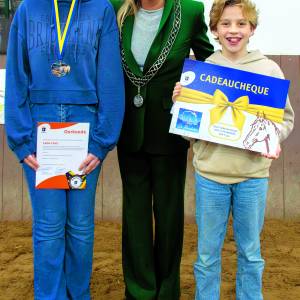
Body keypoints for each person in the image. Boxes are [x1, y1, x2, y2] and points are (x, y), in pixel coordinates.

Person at [172, 0, 294, 299]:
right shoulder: (204, 70)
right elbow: (190, 129)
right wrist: (181, 103)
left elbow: (285, 119)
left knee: (251, 254)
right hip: (210, 176)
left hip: (252, 176)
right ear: (214, 30)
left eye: (241, 23)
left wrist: (273, 138)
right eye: (225, 23)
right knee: (206, 256)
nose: (233, 30)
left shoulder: (268, 69)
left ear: (252, 28)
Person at [5, 0, 124, 298]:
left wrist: (102, 140)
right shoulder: (27, 10)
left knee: (81, 225)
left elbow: (110, 77)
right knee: (48, 224)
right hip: (40, 128)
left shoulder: (101, 10)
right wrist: (20, 139)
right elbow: (17, 77)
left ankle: (77, 293)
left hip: (83, 130)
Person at [110, 0, 213, 299]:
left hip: (171, 130)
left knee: (169, 215)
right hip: (129, 129)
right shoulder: (116, 8)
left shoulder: (190, 11)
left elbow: (212, 63)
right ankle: (140, 290)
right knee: (135, 214)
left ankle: (168, 290)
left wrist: (197, 92)